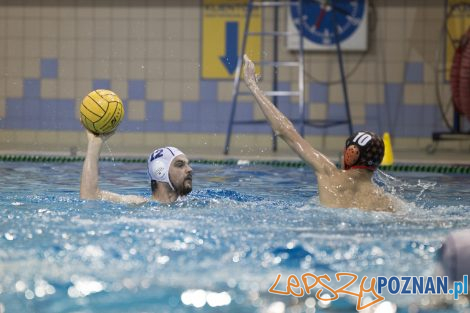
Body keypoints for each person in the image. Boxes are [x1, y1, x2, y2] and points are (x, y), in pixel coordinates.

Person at [243, 54, 401, 212]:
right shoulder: (386, 202)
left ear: (351, 154)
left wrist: (253, 86)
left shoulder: (329, 174)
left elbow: (286, 131)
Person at [80, 130, 193, 204]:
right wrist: (95, 143)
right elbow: (90, 196)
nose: (189, 169)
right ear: (160, 171)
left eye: (187, 164)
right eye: (180, 165)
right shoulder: (137, 204)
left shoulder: (194, 204)